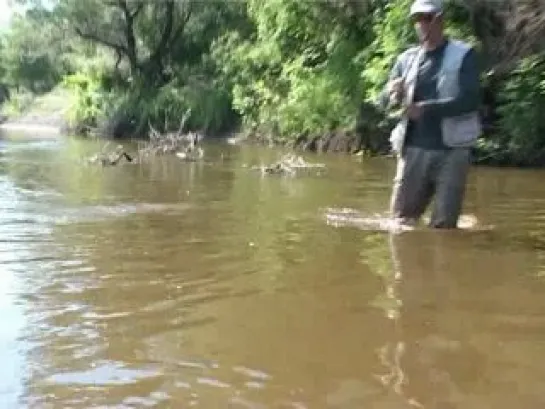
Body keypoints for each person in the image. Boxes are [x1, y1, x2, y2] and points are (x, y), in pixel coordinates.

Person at [379, 0, 482, 229]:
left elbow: (470, 100)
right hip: (413, 150)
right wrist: (390, 93)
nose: (422, 24)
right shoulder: (405, 60)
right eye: (417, 19)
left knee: (444, 226)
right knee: (400, 224)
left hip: (452, 152)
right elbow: (383, 102)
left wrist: (426, 108)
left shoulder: (464, 55)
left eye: (427, 17)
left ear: (440, 19)